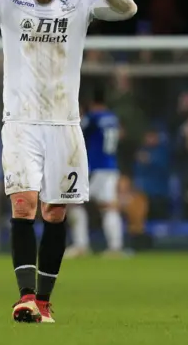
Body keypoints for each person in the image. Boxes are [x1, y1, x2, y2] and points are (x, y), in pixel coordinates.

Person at [0, 0, 137, 324]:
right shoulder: (9, 0)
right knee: (23, 206)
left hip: (64, 125)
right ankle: (26, 298)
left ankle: (45, 304)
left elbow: (127, 8)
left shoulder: (80, 2)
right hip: (19, 122)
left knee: (54, 212)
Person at [67, 87, 123, 257]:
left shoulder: (93, 118)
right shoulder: (112, 118)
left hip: (96, 167)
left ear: (92, 103)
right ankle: (115, 247)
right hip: (111, 166)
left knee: (74, 203)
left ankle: (81, 245)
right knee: (109, 207)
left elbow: (76, 132)